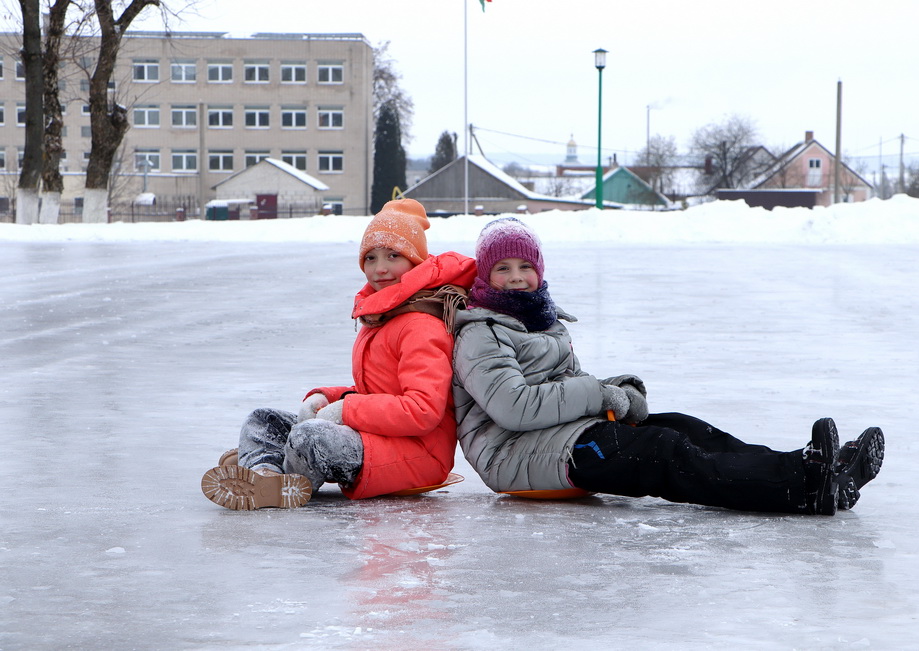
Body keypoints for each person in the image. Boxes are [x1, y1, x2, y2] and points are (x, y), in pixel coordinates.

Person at [452, 217, 884, 515]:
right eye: (502, 268)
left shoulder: (542, 321)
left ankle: (809, 467)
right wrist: (601, 395)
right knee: (661, 451)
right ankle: (802, 490)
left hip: (557, 436)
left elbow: (563, 385)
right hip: (514, 454)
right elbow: (513, 406)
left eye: (525, 266)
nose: (515, 277)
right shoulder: (481, 333)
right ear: (485, 278)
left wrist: (617, 390)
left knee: (683, 426)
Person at [202, 198, 477, 509]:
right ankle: (265, 472)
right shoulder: (384, 315)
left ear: (416, 263)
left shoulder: (421, 325)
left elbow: (421, 410)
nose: (380, 268)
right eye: (370, 258)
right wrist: (327, 399)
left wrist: (345, 410)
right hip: (378, 437)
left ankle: (270, 472)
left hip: (417, 453)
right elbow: (377, 392)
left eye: (393, 256)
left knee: (311, 437)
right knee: (263, 420)